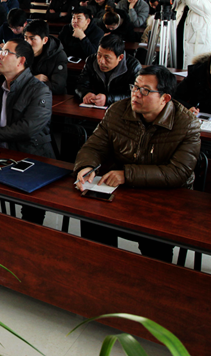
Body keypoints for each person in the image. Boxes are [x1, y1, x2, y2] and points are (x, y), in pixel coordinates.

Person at [73, 65, 201, 262]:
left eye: (146, 91)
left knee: (154, 248)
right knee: (93, 221)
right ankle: (101, 271)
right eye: (135, 87)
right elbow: (94, 147)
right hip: (123, 191)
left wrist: (127, 175)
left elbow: (178, 172)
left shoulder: (187, 124)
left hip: (166, 197)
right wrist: (87, 166)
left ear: (165, 98)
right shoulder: (117, 110)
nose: (136, 94)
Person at [0, 39, 54, 225]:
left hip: (31, 156)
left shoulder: (40, 91)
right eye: (0, 52)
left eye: (5, 53)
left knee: (31, 209)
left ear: (21, 60)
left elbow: (27, 129)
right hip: (1, 155)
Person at [75, 34, 141, 107]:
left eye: (107, 57)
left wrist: (107, 99)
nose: (101, 61)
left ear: (120, 57)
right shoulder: (91, 61)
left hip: (121, 108)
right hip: (95, 106)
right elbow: (80, 84)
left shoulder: (133, 67)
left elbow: (133, 94)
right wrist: (85, 93)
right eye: (99, 55)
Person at [24, 19, 68, 94]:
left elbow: (57, 87)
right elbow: (12, 79)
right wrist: (33, 79)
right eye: (26, 38)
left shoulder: (59, 55)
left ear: (45, 40)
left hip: (50, 97)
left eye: (32, 39)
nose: (27, 43)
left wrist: (26, 82)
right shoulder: (22, 52)